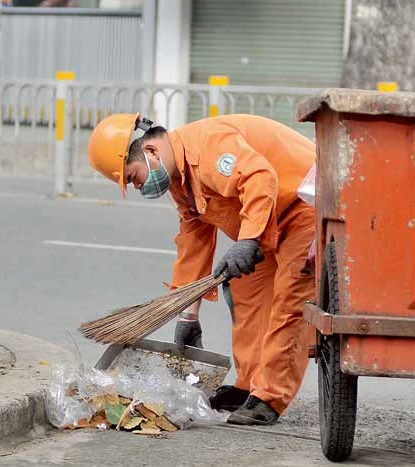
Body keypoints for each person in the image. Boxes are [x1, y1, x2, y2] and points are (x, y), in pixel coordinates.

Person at [87, 113, 315, 426]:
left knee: (289, 301)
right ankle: (248, 386)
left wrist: (248, 240)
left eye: (133, 177)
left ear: (151, 152)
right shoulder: (181, 184)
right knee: (244, 291)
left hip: (306, 207)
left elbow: (260, 178)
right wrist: (187, 316)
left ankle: (270, 398)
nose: (139, 187)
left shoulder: (206, 147)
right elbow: (194, 247)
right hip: (271, 221)